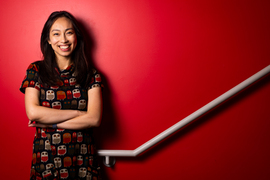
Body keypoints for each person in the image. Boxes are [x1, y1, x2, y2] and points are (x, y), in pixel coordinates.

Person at [20, 11, 103, 180]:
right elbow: (33, 113)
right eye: (56, 34)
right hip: (46, 157)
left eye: (69, 33)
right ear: (48, 40)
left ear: (76, 37)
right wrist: (79, 113)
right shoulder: (36, 70)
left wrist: (51, 123)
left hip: (83, 158)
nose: (63, 40)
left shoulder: (91, 74)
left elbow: (94, 119)